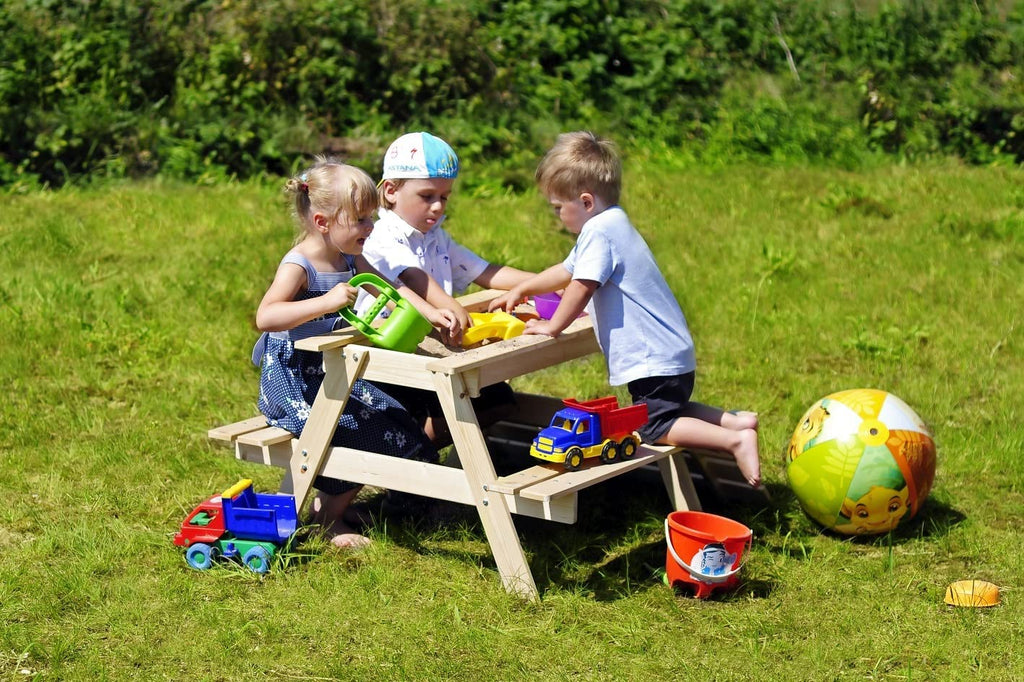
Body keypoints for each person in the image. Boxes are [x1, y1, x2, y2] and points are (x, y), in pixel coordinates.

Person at [489, 132, 761, 487]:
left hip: (651, 357)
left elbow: (580, 286)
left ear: (586, 201)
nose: (558, 217)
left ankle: (734, 440)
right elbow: (568, 269)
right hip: (668, 351)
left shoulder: (599, 234)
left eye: (559, 208)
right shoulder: (612, 222)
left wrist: (552, 326)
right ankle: (734, 420)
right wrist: (525, 285)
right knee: (667, 409)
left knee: (653, 425)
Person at [253, 157, 461, 549]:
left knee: (394, 421)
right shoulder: (299, 265)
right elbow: (267, 316)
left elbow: (391, 288)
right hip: (295, 379)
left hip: (335, 371)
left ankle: (346, 506)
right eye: (362, 219)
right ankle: (327, 519)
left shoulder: (350, 256)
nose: (372, 227)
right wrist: (326, 303)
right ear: (322, 222)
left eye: (372, 217)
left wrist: (431, 312)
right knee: (351, 432)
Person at [359, 132, 535, 447]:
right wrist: (454, 309)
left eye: (445, 197)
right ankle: (411, 460)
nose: (438, 206)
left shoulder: (435, 237)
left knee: (498, 400)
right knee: (467, 403)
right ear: (391, 191)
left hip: (428, 347)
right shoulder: (382, 235)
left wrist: (550, 283)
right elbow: (413, 278)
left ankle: (420, 452)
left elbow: (488, 272)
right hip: (385, 358)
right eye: (427, 196)